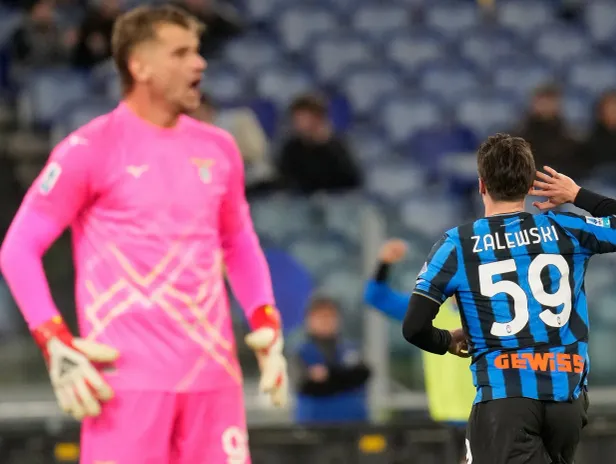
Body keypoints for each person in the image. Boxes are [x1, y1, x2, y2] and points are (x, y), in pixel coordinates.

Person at [0, 6, 288, 464]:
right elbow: (18, 250)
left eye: (197, 51)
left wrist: (266, 322)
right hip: (127, 386)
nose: (199, 64)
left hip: (214, 381)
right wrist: (54, 339)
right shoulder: (89, 149)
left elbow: (238, 243)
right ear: (140, 66)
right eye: (181, 53)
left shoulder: (220, 148)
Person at [402, 134, 616, 464]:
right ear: (528, 185)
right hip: (567, 399)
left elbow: (414, 327)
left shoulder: (458, 245)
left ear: (482, 185)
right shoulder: (566, 228)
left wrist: (447, 339)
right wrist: (577, 194)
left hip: (505, 400)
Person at [364, 238, 475, 425]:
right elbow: (376, 297)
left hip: (486, 415)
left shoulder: (489, 308)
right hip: (445, 418)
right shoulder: (430, 309)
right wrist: (384, 263)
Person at [292, 297, 371, 424]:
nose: (326, 321)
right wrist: (343, 377)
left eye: (330, 316)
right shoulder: (300, 352)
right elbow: (304, 383)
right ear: (309, 320)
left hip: (354, 425)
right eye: (321, 316)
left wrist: (328, 375)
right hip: (314, 425)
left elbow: (363, 373)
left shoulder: (350, 349)